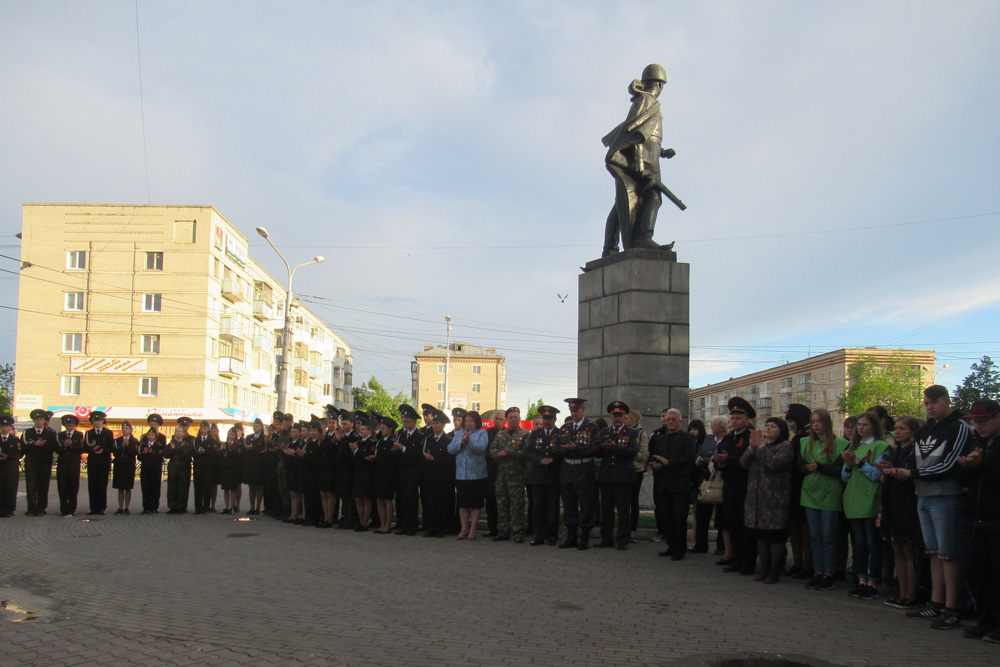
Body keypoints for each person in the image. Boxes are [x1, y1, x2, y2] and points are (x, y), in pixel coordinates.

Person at [888, 385, 972, 629]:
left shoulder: (958, 428)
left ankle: (952, 607)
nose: (930, 407)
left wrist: (912, 472)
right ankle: (936, 603)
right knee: (933, 552)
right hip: (923, 495)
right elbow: (915, 458)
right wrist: (900, 470)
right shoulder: (926, 430)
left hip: (946, 496)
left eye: (934, 402)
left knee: (948, 553)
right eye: (926, 403)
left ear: (947, 401)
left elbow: (948, 465)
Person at [602, 63, 677, 255]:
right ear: (659, 84)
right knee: (652, 198)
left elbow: (647, 139)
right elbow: (635, 134)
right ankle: (643, 238)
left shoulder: (647, 102)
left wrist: (662, 151)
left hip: (650, 159)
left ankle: (610, 246)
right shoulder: (646, 100)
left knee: (624, 203)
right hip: (643, 163)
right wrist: (639, 164)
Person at [955, 399, 1000, 642]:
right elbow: (961, 478)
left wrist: (982, 466)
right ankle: (985, 621)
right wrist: (968, 467)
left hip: (996, 519)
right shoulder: (977, 443)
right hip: (975, 518)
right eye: (975, 421)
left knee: (996, 574)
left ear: (998, 417)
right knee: (975, 570)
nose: (979, 426)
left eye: (983, 421)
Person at [841, 411, 890, 600]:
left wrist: (858, 462)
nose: (860, 428)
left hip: (870, 499)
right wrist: (847, 464)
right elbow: (845, 477)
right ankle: (861, 579)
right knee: (858, 543)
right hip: (854, 499)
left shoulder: (881, 446)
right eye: (859, 425)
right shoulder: (853, 446)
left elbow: (877, 475)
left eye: (865, 425)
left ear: (874, 427)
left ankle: (873, 581)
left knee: (872, 542)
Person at [800, 409, 849, 592]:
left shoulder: (841, 444)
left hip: (829, 493)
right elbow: (799, 467)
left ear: (827, 423)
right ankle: (818, 571)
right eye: (813, 422)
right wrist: (808, 468)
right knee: (815, 536)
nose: (816, 425)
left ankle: (829, 573)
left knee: (828, 536)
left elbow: (839, 471)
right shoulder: (805, 442)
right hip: (810, 493)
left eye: (820, 421)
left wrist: (820, 467)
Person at [741, 417, 795, 583]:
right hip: (756, 500)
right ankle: (764, 570)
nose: (769, 428)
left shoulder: (785, 446)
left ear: (781, 430)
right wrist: (751, 448)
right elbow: (743, 463)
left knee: (775, 537)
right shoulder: (758, 447)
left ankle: (774, 571)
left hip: (775, 500)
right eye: (767, 425)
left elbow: (774, 463)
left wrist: (760, 447)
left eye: (773, 426)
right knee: (761, 536)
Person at [876, 416, 921, 609]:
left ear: (913, 431)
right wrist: (885, 470)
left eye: (903, 428)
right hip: (891, 502)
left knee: (908, 550)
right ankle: (901, 592)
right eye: (896, 428)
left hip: (907, 503)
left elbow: (913, 476)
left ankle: (911, 594)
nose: (898, 432)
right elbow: (883, 480)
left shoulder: (915, 452)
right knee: (896, 550)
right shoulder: (895, 451)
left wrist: (897, 472)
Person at [713, 397, 757, 575]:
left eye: (738, 418)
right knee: (732, 524)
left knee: (745, 525)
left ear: (747, 420)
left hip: (744, 485)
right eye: (732, 418)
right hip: (729, 484)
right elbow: (718, 458)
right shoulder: (728, 437)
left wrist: (727, 460)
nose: (734, 421)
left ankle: (748, 562)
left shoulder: (750, 437)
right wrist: (720, 463)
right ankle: (737, 558)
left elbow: (745, 461)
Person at [648, 408, 696, 560]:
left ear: (680, 421)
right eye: (668, 419)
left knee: (679, 517)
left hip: (679, 484)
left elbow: (689, 458)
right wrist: (655, 465)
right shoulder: (660, 439)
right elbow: (654, 457)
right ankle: (670, 545)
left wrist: (668, 463)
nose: (670, 422)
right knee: (665, 517)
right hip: (662, 484)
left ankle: (679, 549)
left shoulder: (687, 438)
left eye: (673, 419)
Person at [556, 397, 602, 550]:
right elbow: (556, 447)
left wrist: (577, 448)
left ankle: (585, 537)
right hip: (567, 468)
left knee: (586, 503)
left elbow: (596, 447)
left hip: (584, 468)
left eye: (576, 410)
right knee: (569, 504)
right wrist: (564, 449)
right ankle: (571, 537)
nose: (574, 413)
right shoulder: (565, 427)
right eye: (571, 410)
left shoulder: (592, 427)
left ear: (583, 409)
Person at [595, 401, 640, 551]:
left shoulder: (632, 432)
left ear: (625, 416)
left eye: (620, 415)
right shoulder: (605, 432)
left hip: (623, 478)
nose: (617, 419)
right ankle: (606, 538)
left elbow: (633, 452)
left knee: (623, 510)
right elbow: (598, 453)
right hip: (607, 477)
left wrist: (617, 448)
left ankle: (622, 539)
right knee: (606, 510)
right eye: (614, 416)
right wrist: (604, 448)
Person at [488, 406, 530, 543]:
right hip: (501, 476)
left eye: (515, 417)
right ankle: (503, 531)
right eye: (510, 417)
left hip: (517, 476)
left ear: (519, 419)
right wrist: (498, 454)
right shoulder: (501, 434)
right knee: (502, 503)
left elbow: (526, 453)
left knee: (517, 504)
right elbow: (492, 449)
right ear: (507, 419)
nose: (513, 420)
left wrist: (509, 452)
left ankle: (518, 531)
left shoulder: (525, 434)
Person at [448, 410, 489, 541]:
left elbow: (480, 448)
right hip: (461, 474)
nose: (468, 423)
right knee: (463, 503)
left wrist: (469, 440)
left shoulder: (482, 433)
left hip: (477, 474)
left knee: (475, 504)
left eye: (471, 421)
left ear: (476, 422)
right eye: (466, 421)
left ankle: (473, 530)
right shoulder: (459, 433)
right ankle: (463, 528)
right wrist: (461, 443)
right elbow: (450, 449)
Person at [784, 403, 813, 580]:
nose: (790, 425)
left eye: (792, 421)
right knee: (794, 526)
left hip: (804, 485)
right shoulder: (798, 435)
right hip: (794, 486)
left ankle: (807, 564)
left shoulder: (808, 435)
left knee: (803, 527)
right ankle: (798, 562)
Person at [525, 406, 562, 546]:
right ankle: (538, 535)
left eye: (550, 418)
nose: (547, 421)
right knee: (538, 507)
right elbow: (528, 452)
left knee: (552, 507)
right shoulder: (535, 434)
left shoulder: (560, 433)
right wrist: (540, 460)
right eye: (545, 418)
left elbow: (562, 452)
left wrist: (553, 460)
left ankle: (552, 535)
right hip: (538, 475)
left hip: (553, 475)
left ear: (555, 419)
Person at [696, 416, 730, 558]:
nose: (712, 426)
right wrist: (700, 460)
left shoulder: (728, 440)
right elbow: (699, 453)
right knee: (702, 512)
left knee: (721, 515)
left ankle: (721, 546)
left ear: (722, 427)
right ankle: (700, 544)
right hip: (706, 479)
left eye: (715, 424)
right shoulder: (709, 439)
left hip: (721, 480)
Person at [422, 410, 455, 538]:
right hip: (429, 474)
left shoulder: (448, 439)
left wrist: (435, 459)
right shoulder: (428, 439)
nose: (435, 426)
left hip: (442, 475)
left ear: (443, 425)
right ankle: (431, 527)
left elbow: (449, 459)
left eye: (437, 423)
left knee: (441, 501)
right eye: (434, 423)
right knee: (430, 501)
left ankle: (441, 528)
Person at [393, 404, 425, 536]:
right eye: (403, 421)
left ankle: (412, 525)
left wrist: (403, 448)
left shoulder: (419, 436)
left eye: (407, 421)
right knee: (402, 497)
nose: (405, 423)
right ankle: (404, 524)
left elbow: (418, 453)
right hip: (402, 469)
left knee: (411, 497)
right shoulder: (400, 433)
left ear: (414, 421)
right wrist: (395, 450)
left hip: (413, 470)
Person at [21, 408, 57, 516]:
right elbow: (23, 448)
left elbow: (53, 447)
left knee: (43, 485)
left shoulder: (50, 433)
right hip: (31, 462)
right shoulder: (27, 432)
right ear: (33, 421)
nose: (39, 421)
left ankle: (41, 508)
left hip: (45, 462)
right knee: (31, 486)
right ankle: (31, 508)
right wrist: (35, 445)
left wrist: (44, 445)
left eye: (41, 419)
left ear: (44, 420)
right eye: (37, 419)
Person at [373, 415, 400, 534]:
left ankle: (388, 525)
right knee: (379, 500)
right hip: (378, 473)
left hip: (388, 474)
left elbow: (392, 459)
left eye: (384, 428)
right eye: (381, 428)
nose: (382, 430)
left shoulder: (393, 442)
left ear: (390, 429)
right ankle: (382, 524)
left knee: (387, 500)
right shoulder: (380, 442)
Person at [84, 411, 114, 515]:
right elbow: (85, 447)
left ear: (102, 421)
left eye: (98, 420)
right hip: (93, 462)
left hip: (104, 462)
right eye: (94, 421)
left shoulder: (108, 433)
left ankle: (102, 508)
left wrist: (103, 450)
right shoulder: (89, 433)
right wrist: (92, 449)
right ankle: (93, 508)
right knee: (92, 485)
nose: (96, 423)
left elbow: (112, 447)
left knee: (102, 484)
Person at [627, 410, 651, 542]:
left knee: (633, 501)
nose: (625, 420)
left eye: (628, 418)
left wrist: (629, 452)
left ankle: (633, 529)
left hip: (636, 471)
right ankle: (624, 528)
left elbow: (644, 455)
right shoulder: (622, 433)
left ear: (635, 420)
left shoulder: (641, 434)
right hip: (623, 471)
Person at [56, 414, 85, 517]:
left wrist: (71, 445)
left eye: (71, 425)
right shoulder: (60, 435)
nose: (69, 427)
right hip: (63, 464)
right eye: (67, 425)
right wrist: (64, 445)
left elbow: (82, 449)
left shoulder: (79, 435)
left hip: (74, 464)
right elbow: (57, 449)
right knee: (62, 486)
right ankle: (63, 509)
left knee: (73, 486)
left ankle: (72, 509)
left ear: (75, 425)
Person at [352, 416, 377, 532]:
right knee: (358, 498)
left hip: (367, 473)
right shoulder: (358, 442)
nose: (360, 431)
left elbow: (367, 457)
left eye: (363, 429)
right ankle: (361, 520)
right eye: (360, 429)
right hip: (358, 472)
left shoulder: (372, 442)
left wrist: (356, 451)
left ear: (369, 431)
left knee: (366, 498)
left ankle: (365, 522)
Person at [164, 418, 194, 514]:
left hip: (184, 466)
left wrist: (180, 448)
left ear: (183, 433)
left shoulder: (187, 444)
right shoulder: (171, 443)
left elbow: (187, 454)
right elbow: (166, 455)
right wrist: (172, 449)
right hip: (173, 466)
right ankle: (173, 506)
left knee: (183, 487)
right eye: (177, 431)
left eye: (180, 431)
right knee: (172, 488)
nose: (178, 433)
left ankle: (182, 507)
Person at [243, 418, 269, 516]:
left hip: (259, 465)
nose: (255, 428)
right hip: (250, 465)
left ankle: (258, 507)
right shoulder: (249, 437)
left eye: (257, 426)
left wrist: (252, 448)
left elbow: (263, 450)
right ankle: (252, 507)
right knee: (251, 487)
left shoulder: (264, 438)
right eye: (254, 426)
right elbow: (244, 449)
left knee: (258, 487)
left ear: (261, 427)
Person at [137, 423, 165, 514]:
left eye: (152, 434)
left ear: (156, 436)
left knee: (155, 488)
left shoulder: (159, 445)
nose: (150, 436)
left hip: (155, 469)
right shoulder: (143, 445)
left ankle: (154, 507)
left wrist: (152, 453)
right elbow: (139, 458)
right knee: (145, 488)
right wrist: (145, 453)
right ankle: (146, 507)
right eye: (149, 434)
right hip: (145, 469)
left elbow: (160, 458)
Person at [111, 420, 139, 514]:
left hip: (129, 466)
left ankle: (126, 507)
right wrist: (122, 446)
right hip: (119, 465)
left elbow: (134, 453)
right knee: (120, 488)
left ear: (130, 430)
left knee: (127, 488)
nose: (125, 430)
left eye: (127, 428)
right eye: (123, 428)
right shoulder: (117, 440)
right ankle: (120, 507)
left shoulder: (134, 441)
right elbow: (115, 453)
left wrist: (127, 446)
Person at [192, 421, 219, 515]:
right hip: (198, 466)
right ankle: (198, 508)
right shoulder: (196, 440)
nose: (203, 430)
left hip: (208, 466)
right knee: (198, 487)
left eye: (205, 428)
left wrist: (205, 451)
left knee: (207, 487)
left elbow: (216, 453)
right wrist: (198, 452)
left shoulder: (213, 441)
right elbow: (191, 452)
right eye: (202, 428)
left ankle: (206, 507)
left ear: (208, 429)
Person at [218, 425, 245, 515]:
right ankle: (227, 507)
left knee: (233, 489)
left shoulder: (238, 445)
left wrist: (231, 448)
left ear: (235, 436)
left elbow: (239, 457)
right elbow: (220, 456)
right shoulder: (224, 444)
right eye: (229, 434)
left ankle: (233, 507)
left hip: (234, 470)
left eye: (232, 434)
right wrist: (223, 449)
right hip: (225, 469)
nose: (230, 436)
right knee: (226, 489)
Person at [0, 414, 23, 517]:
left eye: (7, 426)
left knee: (10, 488)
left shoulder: (15, 439)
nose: (5, 428)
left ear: (10, 427)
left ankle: (9, 509)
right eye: (3, 426)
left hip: (11, 467)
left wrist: (8, 456)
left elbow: (19, 453)